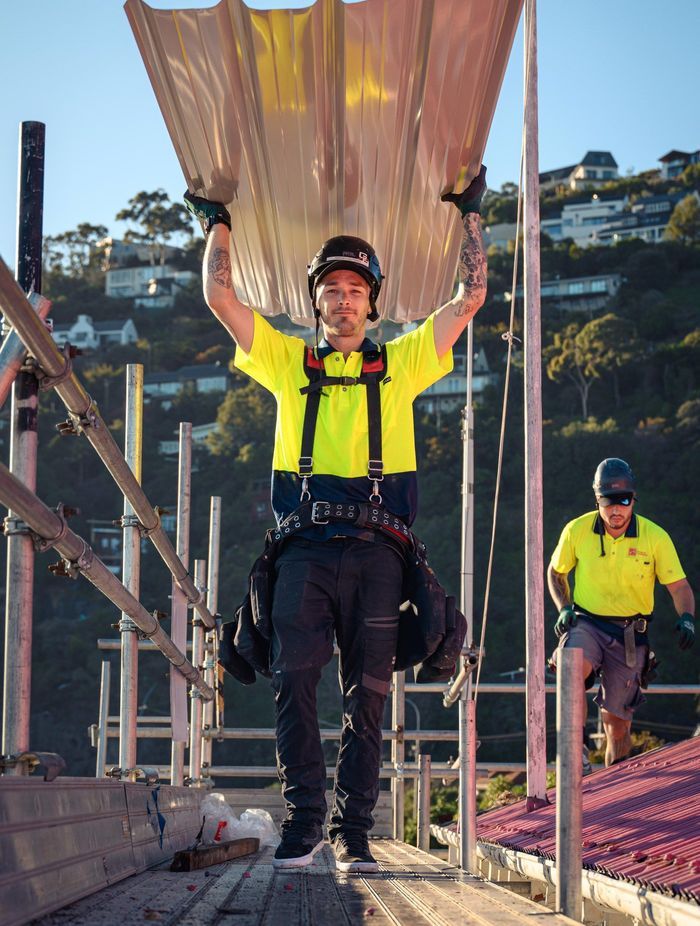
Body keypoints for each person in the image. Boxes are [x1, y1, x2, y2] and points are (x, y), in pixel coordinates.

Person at [184, 168, 487, 872]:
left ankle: (354, 831)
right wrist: (217, 220)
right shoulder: (289, 362)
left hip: (381, 553)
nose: (342, 299)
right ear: (315, 302)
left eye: (354, 289)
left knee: (370, 695)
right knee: (294, 679)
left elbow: (470, 296)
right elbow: (218, 295)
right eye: (330, 289)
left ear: (371, 302)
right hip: (303, 550)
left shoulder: (404, 362)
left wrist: (471, 216)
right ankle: (306, 824)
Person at [548, 458, 695, 770]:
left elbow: (679, 586)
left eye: (624, 501)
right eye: (608, 502)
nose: (616, 510)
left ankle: (614, 779)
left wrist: (687, 618)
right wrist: (563, 608)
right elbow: (556, 572)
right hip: (586, 621)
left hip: (630, 632)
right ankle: (575, 755)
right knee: (569, 664)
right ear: (597, 500)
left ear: (633, 499)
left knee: (616, 724)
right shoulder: (577, 530)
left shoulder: (655, 538)